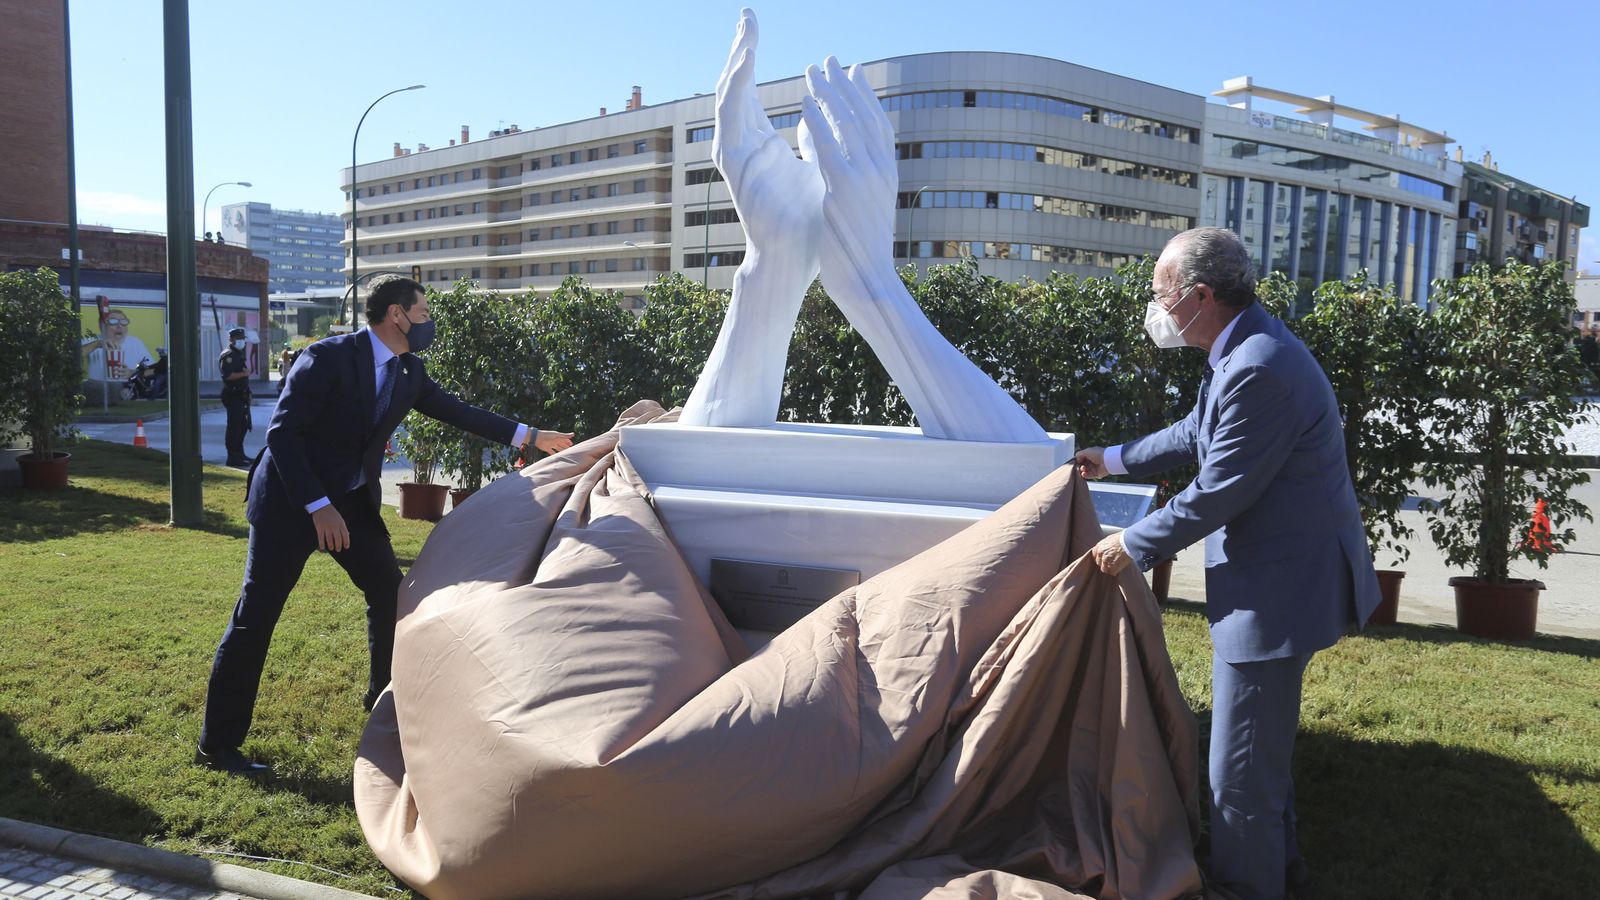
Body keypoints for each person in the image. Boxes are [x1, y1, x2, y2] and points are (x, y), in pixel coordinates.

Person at [1075, 227, 1379, 900]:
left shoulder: (1258, 365)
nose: (1153, 307)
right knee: (1258, 760)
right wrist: (1116, 458)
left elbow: (1220, 490)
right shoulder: (1239, 346)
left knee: (1236, 774)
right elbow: (1197, 431)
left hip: (1278, 594)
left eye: (1160, 293)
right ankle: (1283, 870)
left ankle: (1248, 887)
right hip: (1277, 578)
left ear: (1200, 296)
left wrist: (1131, 544)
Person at [196, 277, 575, 776]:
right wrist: (318, 506)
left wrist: (530, 435)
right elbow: (283, 435)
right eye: (422, 313)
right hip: (290, 503)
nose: (427, 322)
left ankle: (383, 703)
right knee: (256, 618)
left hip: (350, 503)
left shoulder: (407, 371)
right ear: (396, 314)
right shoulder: (326, 358)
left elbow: (456, 411)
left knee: (389, 594)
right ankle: (217, 746)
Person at [80, 307, 152, 381]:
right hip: (98, 389)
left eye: (123, 322)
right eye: (113, 321)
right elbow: (72, 356)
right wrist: (97, 344)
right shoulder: (93, 340)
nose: (119, 326)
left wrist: (132, 373)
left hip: (126, 390)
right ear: (103, 326)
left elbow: (153, 371)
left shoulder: (135, 343)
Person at [220, 327, 252, 467]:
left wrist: (248, 392)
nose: (241, 341)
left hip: (241, 395)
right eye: (238, 339)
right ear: (231, 340)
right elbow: (228, 375)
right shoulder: (229, 355)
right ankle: (232, 457)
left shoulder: (238, 353)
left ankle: (240, 454)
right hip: (232, 395)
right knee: (234, 427)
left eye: (242, 338)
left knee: (242, 426)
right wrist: (244, 374)